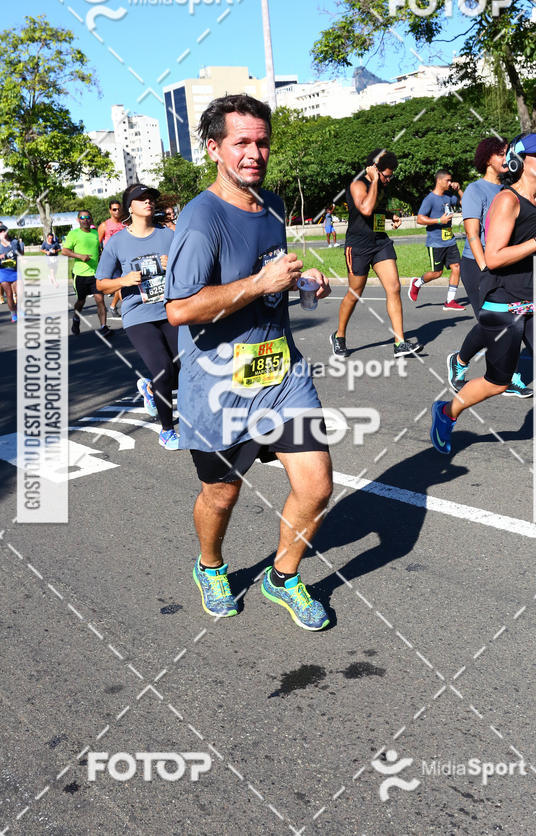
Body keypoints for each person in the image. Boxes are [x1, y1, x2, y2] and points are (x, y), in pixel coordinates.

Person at [164, 93, 333, 631]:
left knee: (317, 486)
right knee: (222, 491)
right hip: (220, 384)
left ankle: (283, 577)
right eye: (241, 142)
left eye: (262, 142)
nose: (254, 153)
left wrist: (298, 283)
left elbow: (267, 277)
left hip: (281, 374)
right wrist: (259, 283)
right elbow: (180, 309)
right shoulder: (200, 219)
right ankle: (210, 566)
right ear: (214, 148)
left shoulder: (274, 205)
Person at [430, 133, 536, 479]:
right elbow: (493, 257)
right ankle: (447, 411)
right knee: (497, 382)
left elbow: (530, 253)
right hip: (504, 303)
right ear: (520, 161)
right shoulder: (507, 200)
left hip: (533, 298)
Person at [446, 140, 533, 399]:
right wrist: (485, 264)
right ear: (487, 159)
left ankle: (505, 375)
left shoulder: (510, 189)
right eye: (500, 153)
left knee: (514, 317)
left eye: (508, 153)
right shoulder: (476, 189)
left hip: (505, 262)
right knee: (495, 320)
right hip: (477, 264)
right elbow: (472, 232)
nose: (506, 157)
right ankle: (460, 362)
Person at [96, 184, 180, 450]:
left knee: (185, 367)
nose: (148, 202)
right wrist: (123, 280)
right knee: (163, 369)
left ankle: (152, 389)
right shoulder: (118, 242)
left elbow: (191, 267)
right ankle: (167, 430)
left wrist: (174, 263)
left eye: (150, 198)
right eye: (140, 199)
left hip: (170, 309)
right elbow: (100, 283)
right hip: (138, 314)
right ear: (129, 208)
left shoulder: (168, 235)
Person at [330, 149, 422, 358]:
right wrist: (373, 181)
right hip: (358, 246)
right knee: (355, 293)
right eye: (386, 175)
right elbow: (366, 210)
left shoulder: (379, 185)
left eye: (391, 176)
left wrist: (391, 215)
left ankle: (399, 342)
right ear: (373, 169)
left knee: (394, 287)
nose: (389, 179)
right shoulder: (358, 184)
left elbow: (375, 210)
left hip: (380, 242)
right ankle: (340, 336)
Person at [409, 170, 464, 310]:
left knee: (456, 267)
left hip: (450, 240)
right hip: (436, 242)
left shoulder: (448, 196)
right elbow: (420, 219)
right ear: (439, 181)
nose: (450, 183)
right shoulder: (429, 199)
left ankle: (449, 301)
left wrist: (459, 190)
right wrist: (440, 220)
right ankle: (417, 283)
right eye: (448, 180)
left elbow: (465, 203)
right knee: (436, 273)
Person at [61, 211, 109, 337]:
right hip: (80, 274)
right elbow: (64, 251)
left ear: (91, 219)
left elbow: (100, 249)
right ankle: (76, 319)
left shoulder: (95, 233)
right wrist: (80, 256)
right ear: (78, 220)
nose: (85, 220)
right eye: (82, 218)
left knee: (100, 300)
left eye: (88, 217)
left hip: (96, 274)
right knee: (81, 301)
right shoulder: (74, 234)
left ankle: (103, 327)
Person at [98, 200, 125, 318]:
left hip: (124, 258)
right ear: (110, 210)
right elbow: (97, 244)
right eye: (114, 209)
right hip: (111, 260)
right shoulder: (104, 225)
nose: (117, 211)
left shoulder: (125, 224)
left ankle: (113, 306)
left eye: (119, 209)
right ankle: (130, 309)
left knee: (122, 284)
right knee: (121, 284)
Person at [0, 224, 24, 321]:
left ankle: (19, 309)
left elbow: (20, 254)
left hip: (15, 271)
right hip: (3, 272)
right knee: (9, 294)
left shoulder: (14, 242)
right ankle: (13, 313)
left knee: (20, 293)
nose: (2, 233)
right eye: (0, 231)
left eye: (3, 231)